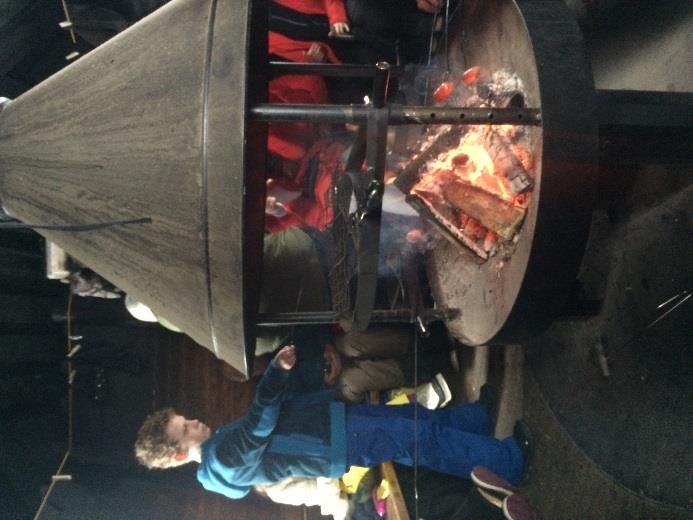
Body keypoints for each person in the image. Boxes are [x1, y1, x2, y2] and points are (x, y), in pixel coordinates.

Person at [135, 345, 529, 500]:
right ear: (178, 455)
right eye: (185, 428)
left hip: (329, 429)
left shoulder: (219, 451)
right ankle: (507, 461)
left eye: (184, 419)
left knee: (411, 421)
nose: (193, 422)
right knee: (418, 439)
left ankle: (474, 420)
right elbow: (259, 424)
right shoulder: (221, 457)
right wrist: (275, 373)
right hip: (331, 441)